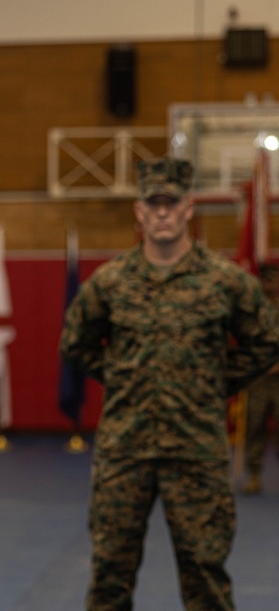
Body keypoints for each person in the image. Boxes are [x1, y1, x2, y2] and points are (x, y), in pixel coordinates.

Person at [59, 157, 279, 611]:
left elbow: (267, 340)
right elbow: (75, 344)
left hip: (196, 452)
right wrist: (126, 377)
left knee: (206, 579)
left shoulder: (224, 282)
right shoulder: (111, 284)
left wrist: (214, 382)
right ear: (139, 212)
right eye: (153, 203)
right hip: (126, 451)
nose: (162, 212)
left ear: (188, 208)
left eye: (171, 203)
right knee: (109, 578)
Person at [242, 262, 279, 494]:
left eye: (273, 279)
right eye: (265, 279)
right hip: (257, 378)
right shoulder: (251, 310)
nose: (269, 284)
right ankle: (253, 474)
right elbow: (244, 340)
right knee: (254, 425)